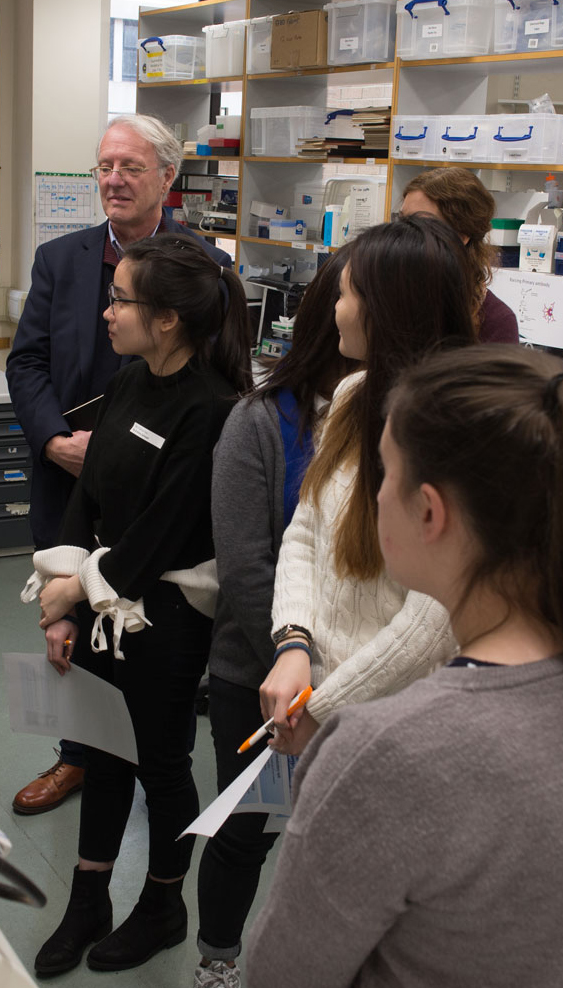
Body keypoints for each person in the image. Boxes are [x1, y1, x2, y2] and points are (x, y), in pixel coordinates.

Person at [247, 346, 563, 988]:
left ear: (430, 512)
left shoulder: (387, 752)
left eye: (382, 472)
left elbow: (283, 973)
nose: (371, 494)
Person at [25, 234, 251, 978]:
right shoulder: (127, 383)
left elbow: (160, 533)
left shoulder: (213, 409)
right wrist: (60, 595)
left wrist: (76, 587)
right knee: (96, 748)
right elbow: (85, 494)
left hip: (163, 619)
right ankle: (88, 899)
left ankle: (161, 903)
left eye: (121, 300)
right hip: (99, 597)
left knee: (159, 761)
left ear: (168, 321)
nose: (107, 311)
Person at [7, 114, 233, 815]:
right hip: (75, 482)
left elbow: (223, 378)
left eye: (131, 167)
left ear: (167, 177)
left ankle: (139, 763)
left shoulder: (208, 270)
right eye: (105, 165)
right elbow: (29, 361)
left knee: (147, 677)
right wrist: (53, 441)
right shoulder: (61, 259)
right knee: (69, 632)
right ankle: (76, 757)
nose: (113, 180)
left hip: (162, 497)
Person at [258, 213, 476, 757]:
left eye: (346, 292)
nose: (334, 307)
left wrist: (324, 709)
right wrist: (293, 644)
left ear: (384, 309)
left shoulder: (454, 431)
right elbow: (306, 528)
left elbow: (433, 621)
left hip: (395, 723)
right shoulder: (354, 395)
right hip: (313, 695)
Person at [194, 256, 354, 987]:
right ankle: (218, 960)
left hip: (358, 679)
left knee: (340, 841)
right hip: (260, 674)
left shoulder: (399, 417)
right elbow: (250, 569)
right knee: (246, 830)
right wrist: (304, 665)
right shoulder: (261, 421)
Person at [399, 167, 518, 343]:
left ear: (461, 235)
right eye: (403, 220)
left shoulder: (496, 321)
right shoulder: (388, 294)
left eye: (419, 223)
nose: (403, 233)